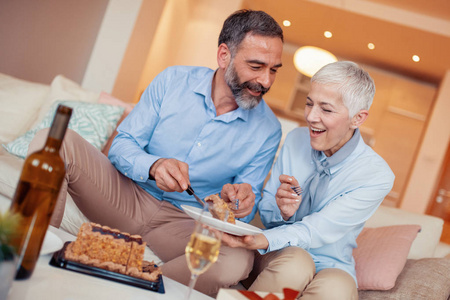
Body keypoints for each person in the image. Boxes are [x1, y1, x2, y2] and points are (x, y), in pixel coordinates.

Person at [28, 9, 284, 297]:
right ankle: (30, 256)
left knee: (238, 260)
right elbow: (122, 145)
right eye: (256, 66)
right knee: (54, 142)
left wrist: (241, 204)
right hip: (126, 194)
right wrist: (153, 165)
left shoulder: (269, 130)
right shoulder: (172, 80)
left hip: (185, 223)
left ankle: (135, 288)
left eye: (274, 69)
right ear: (224, 55)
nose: (266, 81)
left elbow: (246, 208)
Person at [222, 61, 395, 299]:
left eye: (326, 109)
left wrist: (259, 238)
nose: (311, 117)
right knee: (296, 263)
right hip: (282, 251)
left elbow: (319, 230)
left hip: (330, 263)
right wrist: (283, 213)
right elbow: (268, 209)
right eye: (309, 103)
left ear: (358, 118)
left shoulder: (376, 175)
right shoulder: (296, 140)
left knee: (338, 291)